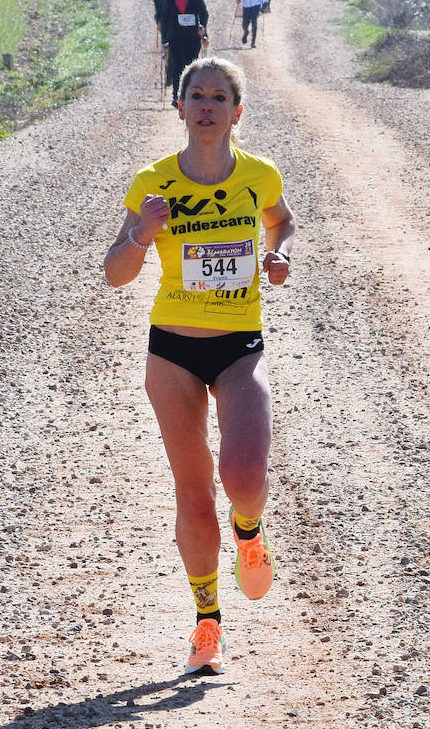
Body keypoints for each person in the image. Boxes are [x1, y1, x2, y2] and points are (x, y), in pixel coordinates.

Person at [103, 56, 295, 676]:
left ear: (236, 112)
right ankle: (207, 624)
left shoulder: (260, 176)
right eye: (197, 95)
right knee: (192, 489)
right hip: (173, 351)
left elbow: (282, 220)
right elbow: (114, 274)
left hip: (240, 344)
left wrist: (279, 253)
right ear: (180, 107)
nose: (207, 105)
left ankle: (250, 527)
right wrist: (140, 235)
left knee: (242, 475)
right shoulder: (153, 183)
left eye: (219, 96)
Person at [158, 0, 209, 107]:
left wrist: (203, 28)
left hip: (192, 37)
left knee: (191, 65)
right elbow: (165, 18)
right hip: (176, 37)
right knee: (177, 66)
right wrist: (164, 40)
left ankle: (190, 95)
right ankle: (176, 96)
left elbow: (204, 13)